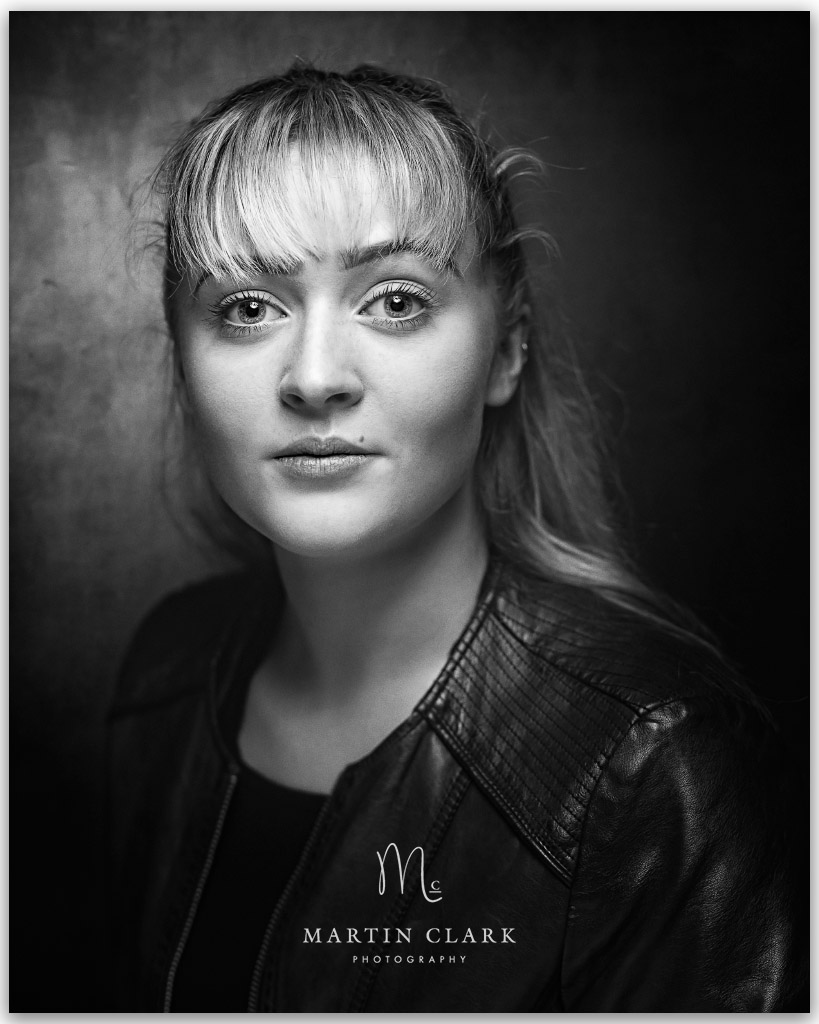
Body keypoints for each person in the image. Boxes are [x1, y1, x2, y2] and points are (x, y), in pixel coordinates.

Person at [106, 64, 806, 1012]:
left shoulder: (658, 770)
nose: (314, 379)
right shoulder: (165, 675)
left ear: (506, 349)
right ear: (182, 363)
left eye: (395, 299)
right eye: (247, 307)